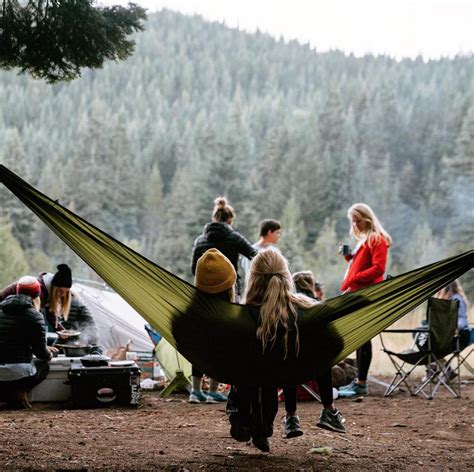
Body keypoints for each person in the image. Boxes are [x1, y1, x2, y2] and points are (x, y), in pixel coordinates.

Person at [243, 250, 347, 451]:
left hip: (266, 375)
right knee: (317, 345)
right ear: (286, 277)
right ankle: (329, 410)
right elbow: (336, 343)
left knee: (262, 377)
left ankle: (269, 424)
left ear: (254, 279)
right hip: (302, 368)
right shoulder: (309, 309)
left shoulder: (245, 315)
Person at [338, 203, 392, 397]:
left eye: (357, 221)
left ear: (367, 219)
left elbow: (378, 269)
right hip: (358, 293)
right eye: (352, 221)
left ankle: (361, 383)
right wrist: (350, 258)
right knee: (360, 338)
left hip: (367, 294)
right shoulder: (365, 240)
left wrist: (353, 278)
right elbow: (365, 264)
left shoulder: (377, 239)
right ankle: (359, 381)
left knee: (364, 338)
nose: (355, 225)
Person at [0, 264, 102, 353]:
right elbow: (32, 324)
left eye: (66, 292)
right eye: (61, 291)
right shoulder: (38, 291)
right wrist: (44, 347)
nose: (62, 295)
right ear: (54, 288)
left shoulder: (47, 290)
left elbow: (50, 313)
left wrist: (62, 331)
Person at [0, 276, 56, 409]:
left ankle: (6, 394)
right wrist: (50, 355)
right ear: (37, 295)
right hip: (19, 372)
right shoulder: (35, 316)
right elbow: (41, 353)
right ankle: (19, 391)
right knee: (43, 365)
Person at [188, 248, 234, 404]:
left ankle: (195, 391)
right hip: (217, 347)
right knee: (219, 354)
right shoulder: (226, 309)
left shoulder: (195, 306)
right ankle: (213, 392)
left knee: (198, 354)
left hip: (196, 346)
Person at [191, 196, 257, 297]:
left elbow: (194, 269)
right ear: (230, 220)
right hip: (229, 291)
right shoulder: (235, 238)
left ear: (214, 218)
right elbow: (255, 256)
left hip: (204, 292)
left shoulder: (199, 241)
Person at [436, 279, 472, 350]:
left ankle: (435, 357)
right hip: (443, 333)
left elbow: (461, 319)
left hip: (455, 334)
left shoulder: (456, 299)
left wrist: (453, 328)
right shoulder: (447, 300)